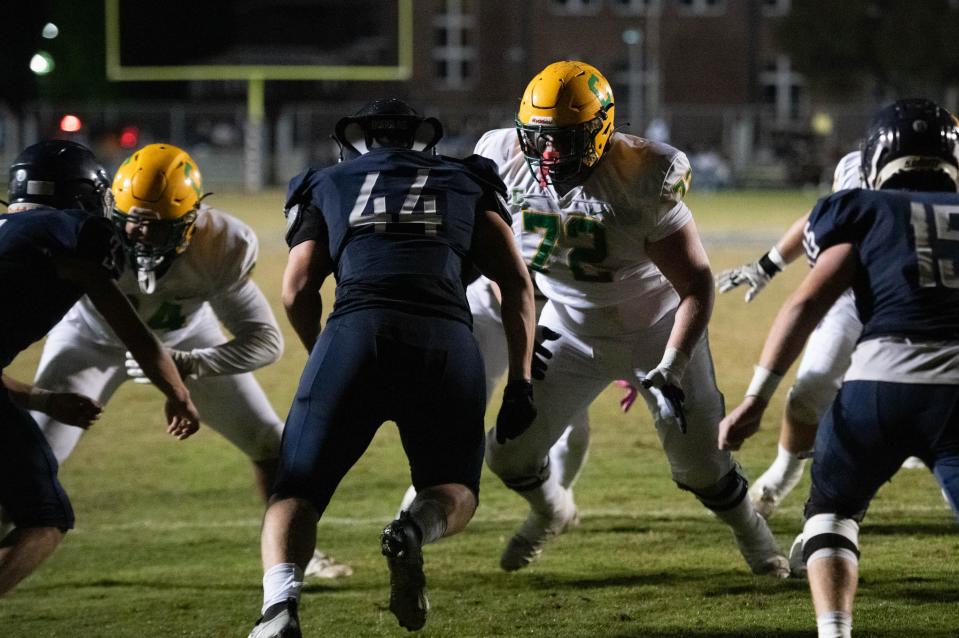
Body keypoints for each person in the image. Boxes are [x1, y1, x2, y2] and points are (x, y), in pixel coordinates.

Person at [476, 60, 788, 577]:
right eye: (538, 138)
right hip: (570, 332)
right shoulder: (499, 157)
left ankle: (757, 541)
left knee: (700, 469)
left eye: (565, 139)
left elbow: (696, 285)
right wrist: (524, 338)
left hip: (656, 334)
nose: (549, 154)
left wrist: (673, 361)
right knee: (507, 456)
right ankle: (551, 512)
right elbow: (504, 269)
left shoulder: (643, 174)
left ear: (601, 131)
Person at [247, 98, 536, 637]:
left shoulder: (329, 182)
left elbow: (296, 289)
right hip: (445, 340)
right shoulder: (466, 178)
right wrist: (519, 381)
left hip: (356, 332)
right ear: (421, 141)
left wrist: (327, 355)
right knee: (453, 488)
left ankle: (278, 609)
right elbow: (516, 282)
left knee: (296, 491)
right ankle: (412, 530)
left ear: (356, 142)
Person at [27, 143, 351, 580]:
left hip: (184, 338)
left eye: (157, 228)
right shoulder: (85, 232)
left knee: (271, 445)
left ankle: (296, 558)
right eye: (130, 225)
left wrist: (187, 362)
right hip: (90, 340)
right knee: (28, 462)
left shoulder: (220, 244)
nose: (140, 237)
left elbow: (266, 341)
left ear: (192, 218)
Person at [718, 98, 959, 638]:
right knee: (811, 392)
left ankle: (834, 629)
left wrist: (755, 399)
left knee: (830, 513)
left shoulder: (864, 207)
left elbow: (804, 302)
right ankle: (783, 474)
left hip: (881, 380)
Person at [0, 140, 200, 596]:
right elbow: (134, 332)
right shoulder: (76, 229)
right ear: (83, 193)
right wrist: (179, 394)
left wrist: (44, 399)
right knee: (46, 519)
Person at [718, 151, 926, 521]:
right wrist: (767, 265)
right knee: (808, 394)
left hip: (924, 301)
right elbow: (822, 216)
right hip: (850, 296)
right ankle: (785, 474)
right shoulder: (859, 169)